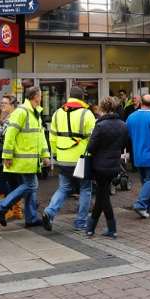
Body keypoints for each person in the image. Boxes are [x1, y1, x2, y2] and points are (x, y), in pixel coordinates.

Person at [0, 86, 51, 227]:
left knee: (31, 186)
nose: (41, 98)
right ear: (36, 96)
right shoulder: (22, 112)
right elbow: (10, 135)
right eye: (40, 95)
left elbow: (40, 136)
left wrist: (45, 155)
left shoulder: (35, 112)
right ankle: (1, 206)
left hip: (30, 160)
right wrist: (7, 156)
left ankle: (30, 218)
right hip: (23, 159)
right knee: (31, 185)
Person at [42, 86, 95, 232]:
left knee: (64, 188)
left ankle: (50, 211)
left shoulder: (57, 113)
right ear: (82, 98)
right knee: (85, 189)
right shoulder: (87, 114)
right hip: (82, 159)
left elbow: (52, 137)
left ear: (69, 97)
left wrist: (55, 154)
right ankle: (80, 222)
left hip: (63, 158)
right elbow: (93, 139)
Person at [85, 96, 128, 238]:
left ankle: (110, 228)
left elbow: (90, 147)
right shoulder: (122, 125)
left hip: (99, 166)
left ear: (102, 108)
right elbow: (124, 145)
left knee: (103, 196)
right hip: (114, 165)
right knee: (102, 195)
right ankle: (91, 228)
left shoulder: (100, 125)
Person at [0, 96, 24, 222]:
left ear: (12, 104)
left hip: (10, 155)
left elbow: (2, 134)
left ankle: (8, 208)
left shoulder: (12, 117)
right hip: (10, 154)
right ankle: (16, 209)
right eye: (1, 103)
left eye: (5, 103)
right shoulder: (8, 117)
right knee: (13, 182)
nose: (2, 105)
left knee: (0, 180)